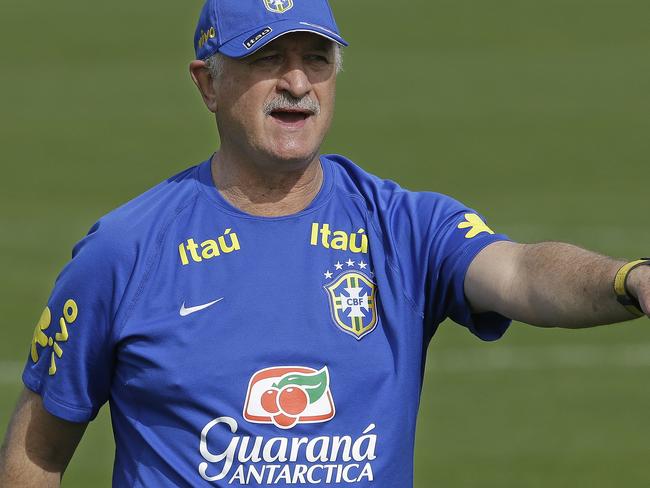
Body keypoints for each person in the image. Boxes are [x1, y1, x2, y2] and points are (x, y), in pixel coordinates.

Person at [0, 0, 648, 486]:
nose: (297, 83)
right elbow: (37, 453)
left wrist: (630, 279)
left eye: (316, 58)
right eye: (266, 59)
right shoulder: (125, 251)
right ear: (207, 83)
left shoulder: (402, 226)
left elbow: (523, 274)